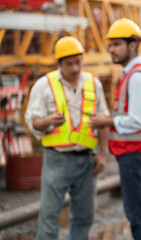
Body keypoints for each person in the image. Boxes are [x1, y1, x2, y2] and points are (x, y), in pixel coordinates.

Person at [25, 36, 109, 240]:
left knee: (84, 216)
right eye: (69, 64)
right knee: (49, 217)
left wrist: (103, 154)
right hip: (56, 159)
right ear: (59, 64)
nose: (75, 68)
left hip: (87, 161)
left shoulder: (93, 83)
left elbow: (103, 120)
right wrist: (48, 121)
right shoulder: (43, 85)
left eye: (78, 62)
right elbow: (33, 121)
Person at [89, 18, 141, 240]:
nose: (111, 49)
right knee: (136, 210)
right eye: (110, 45)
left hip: (134, 153)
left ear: (133, 45)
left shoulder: (137, 77)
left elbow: (138, 120)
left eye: (116, 44)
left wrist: (106, 121)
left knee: (136, 212)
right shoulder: (132, 74)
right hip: (132, 152)